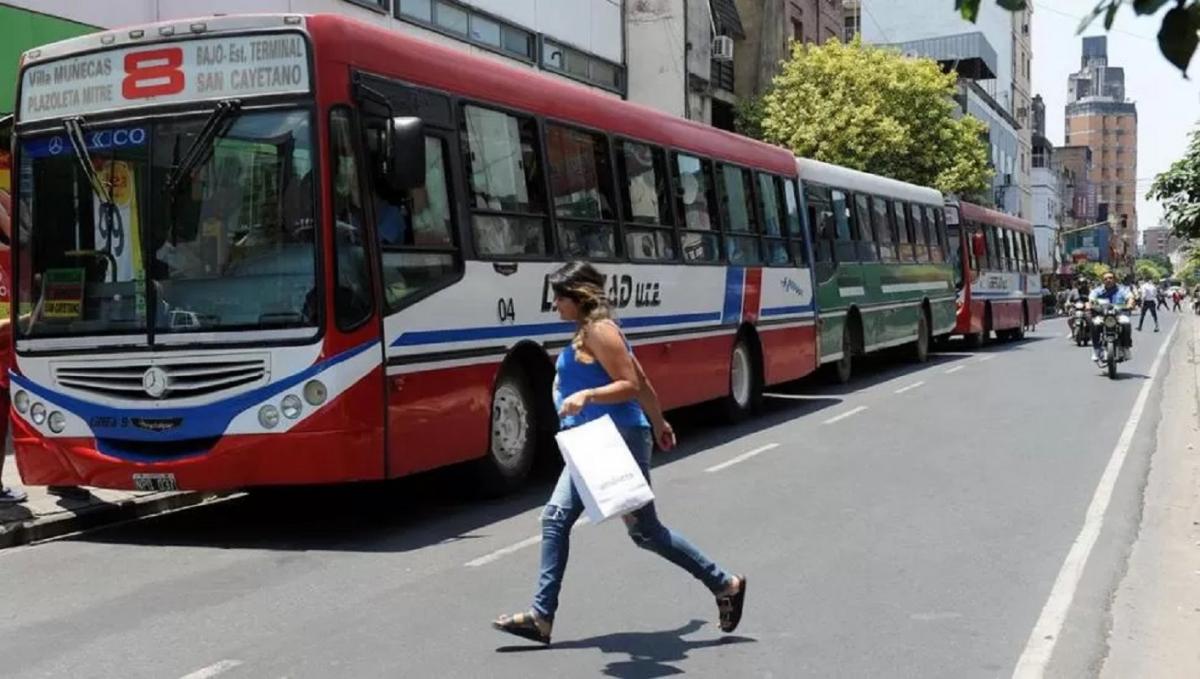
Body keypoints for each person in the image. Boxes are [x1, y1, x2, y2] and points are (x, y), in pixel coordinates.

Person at [492, 262, 746, 645]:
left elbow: (630, 383)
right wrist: (661, 423)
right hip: (591, 442)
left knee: (646, 532)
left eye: (560, 296)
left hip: (614, 439)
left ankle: (724, 583)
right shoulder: (588, 332)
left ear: (579, 296)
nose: (555, 304)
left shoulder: (600, 330)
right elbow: (642, 379)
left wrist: (588, 396)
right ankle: (541, 618)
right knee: (556, 519)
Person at [1088, 272, 1135, 363]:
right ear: (1103, 281)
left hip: (1119, 315)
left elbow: (1130, 297)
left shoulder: (1123, 289)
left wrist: (1130, 303)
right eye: (1105, 279)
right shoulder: (1097, 290)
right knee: (1094, 324)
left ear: (1115, 279)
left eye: (1110, 278)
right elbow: (1092, 299)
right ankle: (1096, 350)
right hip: (1102, 315)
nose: (1108, 280)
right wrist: (1091, 304)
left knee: (1126, 322)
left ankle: (1126, 347)